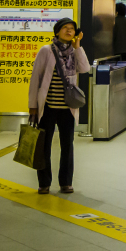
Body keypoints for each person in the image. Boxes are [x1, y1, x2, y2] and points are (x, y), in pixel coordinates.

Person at [28, 17, 89, 195]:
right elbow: (36, 79)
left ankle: (66, 182)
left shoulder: (74, 51)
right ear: (57, 31)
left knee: (67, 146)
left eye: (72, 29)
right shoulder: (46, 51)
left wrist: (78, 46)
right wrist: (33, 105)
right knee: (44, 146)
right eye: (65, 28)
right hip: (47, 107)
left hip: (67, 108)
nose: (69, 31)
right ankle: (44, 182)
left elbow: (84, 68)